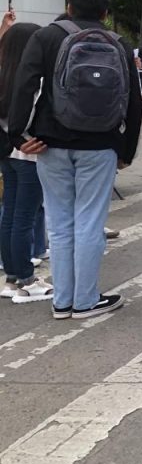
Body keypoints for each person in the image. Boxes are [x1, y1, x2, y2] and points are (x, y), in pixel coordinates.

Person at [9, 0, 142, 319]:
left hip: (49, 143)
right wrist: (126, 149)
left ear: (69, 7)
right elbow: (134, 102)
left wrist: (18, 136)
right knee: (89, 221)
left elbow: (23, 86)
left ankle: (62, 301)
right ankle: (85, 301)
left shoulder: (45, 37)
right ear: (105, 14)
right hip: (101, 145)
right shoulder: (119, 44)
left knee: (58, 222)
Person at [0, 22, 52, 303]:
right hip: (31, 153)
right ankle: (26, 279)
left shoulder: (3, 76)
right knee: (24, 216)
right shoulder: (32, 79)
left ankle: (10, 277)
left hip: (7, 155)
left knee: (9, 214)